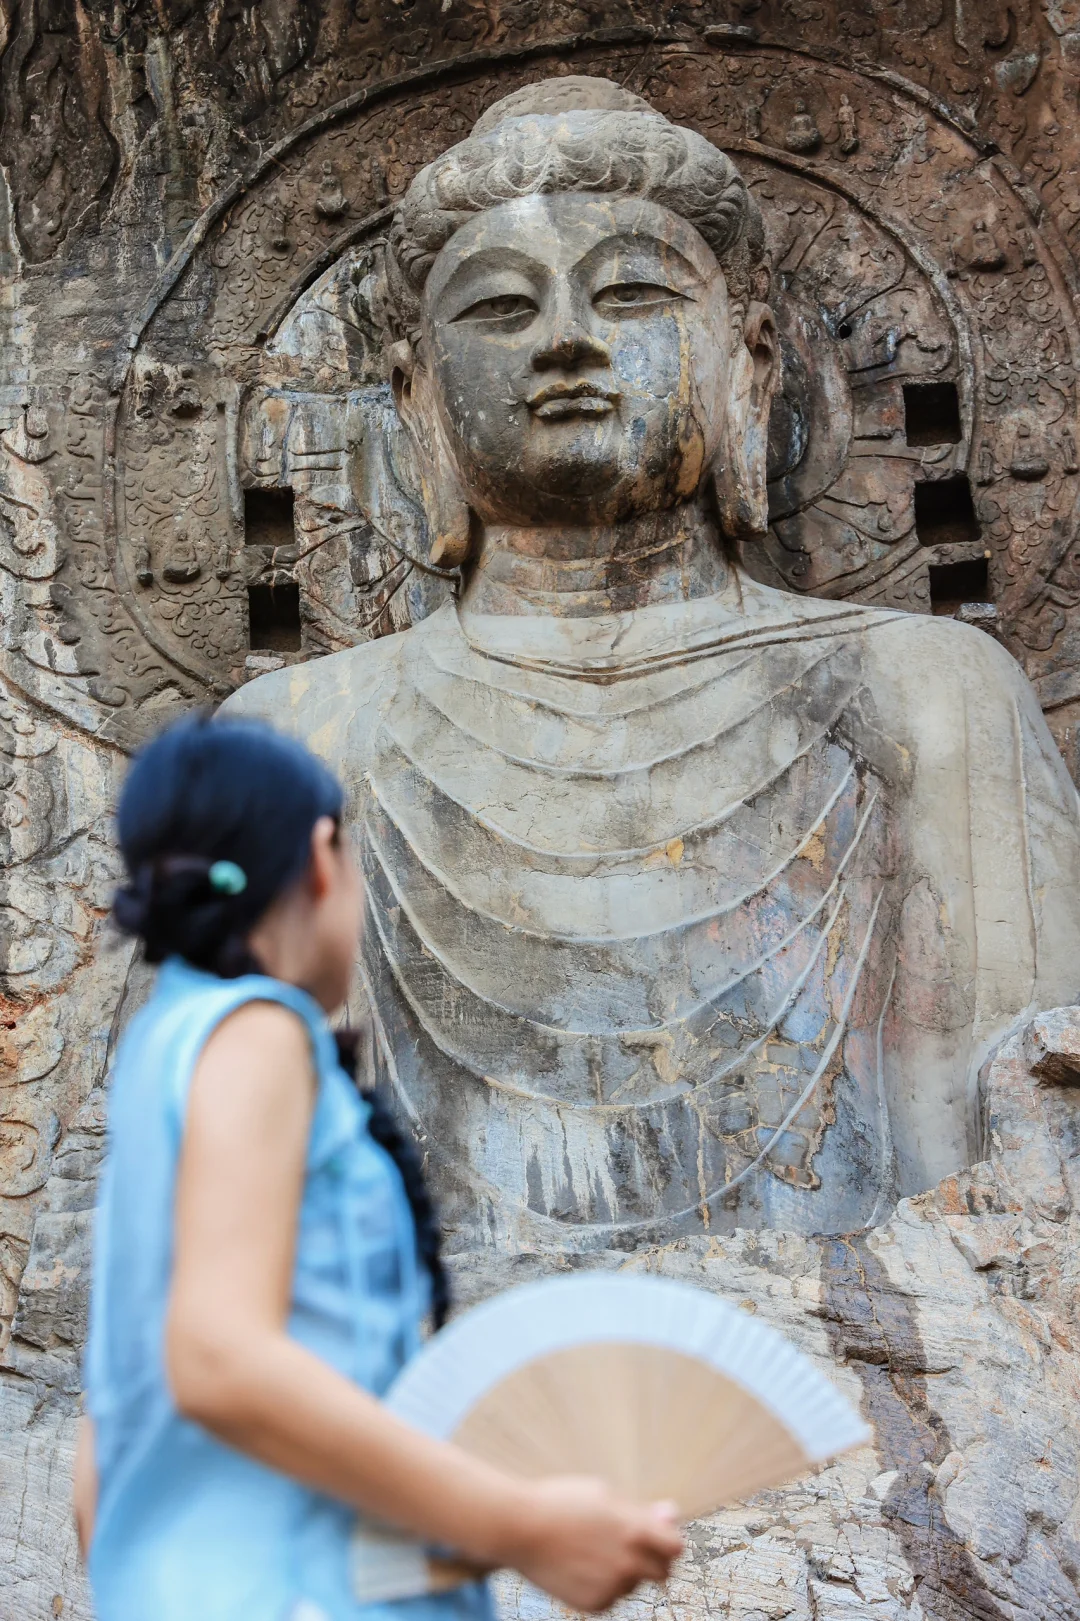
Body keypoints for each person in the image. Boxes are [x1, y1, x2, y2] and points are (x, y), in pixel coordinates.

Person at [78, 713, 683, 1621]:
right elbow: (218, 1360)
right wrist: (523, 1524)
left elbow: (103, 1460)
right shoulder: (260, 1034)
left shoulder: (161, 1047)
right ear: (325, 856)